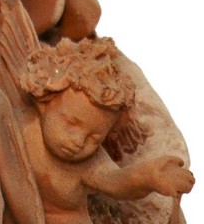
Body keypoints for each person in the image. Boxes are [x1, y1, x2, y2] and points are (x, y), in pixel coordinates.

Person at [13, 40, 193, 223]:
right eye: (71, 124)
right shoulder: (19, 125)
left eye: (94, 138)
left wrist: (150, 176)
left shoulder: (89, 163)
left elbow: (119, 182)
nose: (78, 141)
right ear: (45, 101)